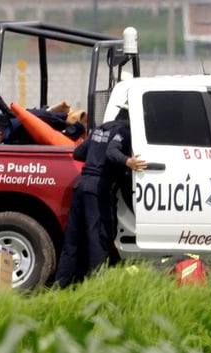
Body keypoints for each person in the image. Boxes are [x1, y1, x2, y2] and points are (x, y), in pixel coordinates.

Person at [54, 104, 146, 288]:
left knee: (71, 241)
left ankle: (59, 287)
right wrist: (127, 161)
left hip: (81, 187)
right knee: (98, 240)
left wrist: (95, 158)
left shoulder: (101, 129)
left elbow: (79, 153)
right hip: (98, 191)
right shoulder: (123, 130)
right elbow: (112, 152)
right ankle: (97, 288)